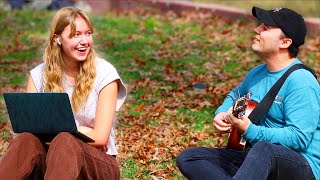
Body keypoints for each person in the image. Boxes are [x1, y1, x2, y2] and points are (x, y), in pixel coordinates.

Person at [176, 6, 320, 180]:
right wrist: (222, 112)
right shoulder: (257, 73)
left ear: (285, 42)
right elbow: (235, 96)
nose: (256, 29)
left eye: (265, 28)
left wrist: (250, 130)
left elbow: (299, 138)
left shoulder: (301, 82)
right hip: (261, 159)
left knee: (264, 149)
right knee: (190, 158)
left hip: (303, 166)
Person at [0, 7, 127, 179]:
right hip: (53, 161)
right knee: (25, 141)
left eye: (88, 33)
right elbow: (32, 131)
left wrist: (66, 134)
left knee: (66, 140)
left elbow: (100, 137)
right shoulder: (38, 76)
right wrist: (79, 130)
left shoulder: (105, 73)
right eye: (76, 35)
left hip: (98, 164)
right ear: (57, 39)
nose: (84, 41)